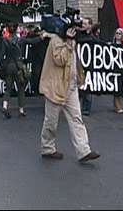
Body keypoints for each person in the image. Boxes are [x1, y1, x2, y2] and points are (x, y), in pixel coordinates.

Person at [39, 22, 100, 163]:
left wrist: (80, 77)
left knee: (76, 119)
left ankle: (84, 151)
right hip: (55, 87)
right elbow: (60, 60)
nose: (75, 32)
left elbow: (76, 61)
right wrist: (67, 43)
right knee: (51, 122)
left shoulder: (73, 41)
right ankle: (47, 148)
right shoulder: (56, 41)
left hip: (70, 87)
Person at [77, 17, 94, 116]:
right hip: (78, 64)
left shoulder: (93, 36)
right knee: (78, 87)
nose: (82, 25)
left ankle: (86, 108)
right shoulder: (78, 35)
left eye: (85, 24)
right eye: (82, 23)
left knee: (87, 87)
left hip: (88, 65)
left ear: (89, 26)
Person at [112, 28, 123, 114]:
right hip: (114, 69)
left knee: (120, 87)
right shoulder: (111, 45)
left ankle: (117, 104)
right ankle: (117, 106)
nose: (117, 34)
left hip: (122, 69)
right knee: (116, 87)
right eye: (117, 33)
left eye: (120, 33)